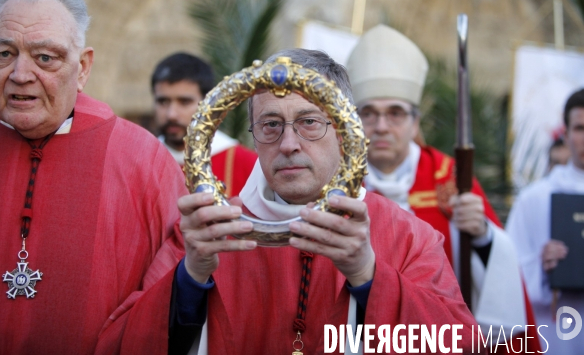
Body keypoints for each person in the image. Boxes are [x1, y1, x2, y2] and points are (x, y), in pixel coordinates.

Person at [119, 48, 481, 354]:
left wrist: (368, 275)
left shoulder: (406, 235)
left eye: (309, 122)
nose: (288, 144)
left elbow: (460, 342)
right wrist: (191, 276)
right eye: (270, 125)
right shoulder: (209, 231)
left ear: (343, 132)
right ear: (254, 138)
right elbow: (126, 343)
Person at [0, 0, 186, 354]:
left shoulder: (143, 161)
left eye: (45, 57)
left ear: (83, 68)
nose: (20, 74)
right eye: (5, 53)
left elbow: (176, 283)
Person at [346, 24, 541, 352]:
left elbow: (497, 258)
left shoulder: (450, 178)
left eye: (395, 114)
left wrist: (482, 234)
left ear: (415, 122)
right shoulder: (339, 181)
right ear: (353, 119)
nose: (381, 126)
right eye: (369, 113)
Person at [507, 88, 584, 354]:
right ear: (565, 134)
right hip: (558, 334)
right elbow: (508, 274)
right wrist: (542, 268)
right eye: (579, 128)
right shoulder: (534, 199)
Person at [151, 52, 257, 196]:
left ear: (207, 103)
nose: (171, 114)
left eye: (184, 102)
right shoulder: (143, 163)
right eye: (163, 102)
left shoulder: (247, 164)